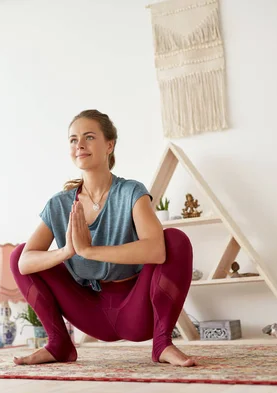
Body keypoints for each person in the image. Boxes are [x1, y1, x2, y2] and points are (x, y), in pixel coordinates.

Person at [10, 109, 196, 367]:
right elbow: (23, 263)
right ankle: (59, 344)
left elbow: (156, 251)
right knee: (19, 253)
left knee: (175, 240)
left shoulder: (131, 192)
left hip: (136, 311)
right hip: (89, 310)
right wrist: (66, 252)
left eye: (89, 137)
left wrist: (89, 250)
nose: (80, 145)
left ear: (110, 145)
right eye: (73, 140)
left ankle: (163, 343)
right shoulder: (59, 204)